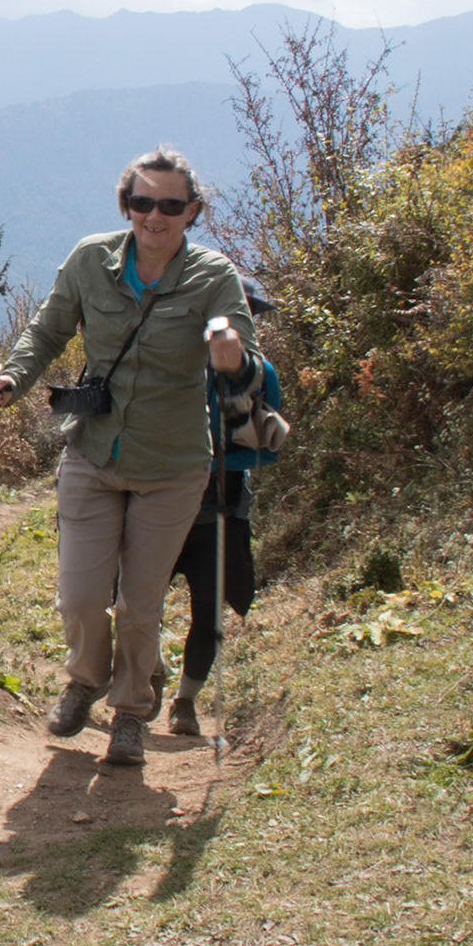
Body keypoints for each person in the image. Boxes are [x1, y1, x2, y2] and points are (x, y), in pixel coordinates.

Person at [0, 147, 262, 766]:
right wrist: (10, 380)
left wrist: (230, 352)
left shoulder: (214, 276)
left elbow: (247, 357)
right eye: (141, 202)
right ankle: (85, 679)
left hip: (173, 464)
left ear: (192, 212)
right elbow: (47, 331)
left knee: (140, 601)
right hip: (92, 451)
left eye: (169, 205)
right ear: (124, 204)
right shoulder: (90, 260)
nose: (154, 217)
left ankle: (131, 710)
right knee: (79, 596)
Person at [164, 280, 285, 737]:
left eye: (244, 315)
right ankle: (150, 676)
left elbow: (268, 450)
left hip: (222, 508)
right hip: (164, 504)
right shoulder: (174, 369)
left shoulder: (262, 375)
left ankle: (185, 701)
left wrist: (216, 462)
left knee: (210, 614)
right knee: (136, 602)